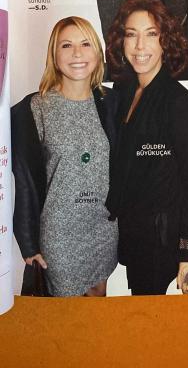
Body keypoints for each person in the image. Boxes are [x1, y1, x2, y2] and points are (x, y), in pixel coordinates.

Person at [105, 0, 188, 295]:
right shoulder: (123, 92)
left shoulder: (180, 103)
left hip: (160, 242)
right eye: (131, 34)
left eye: (151, 34)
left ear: (165, 41)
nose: (140, 46)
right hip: (129, 233)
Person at [11, 17, 118, 297]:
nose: (77, 53)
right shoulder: (35, 108)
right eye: (67, 45)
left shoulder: (110, 103)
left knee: (98, 305)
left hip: (103, 229)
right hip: (59, 234)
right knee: (67, 316)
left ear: (97, 52)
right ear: (54, 55)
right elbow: (23, 182)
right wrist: (28, 243)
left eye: (85, 44)